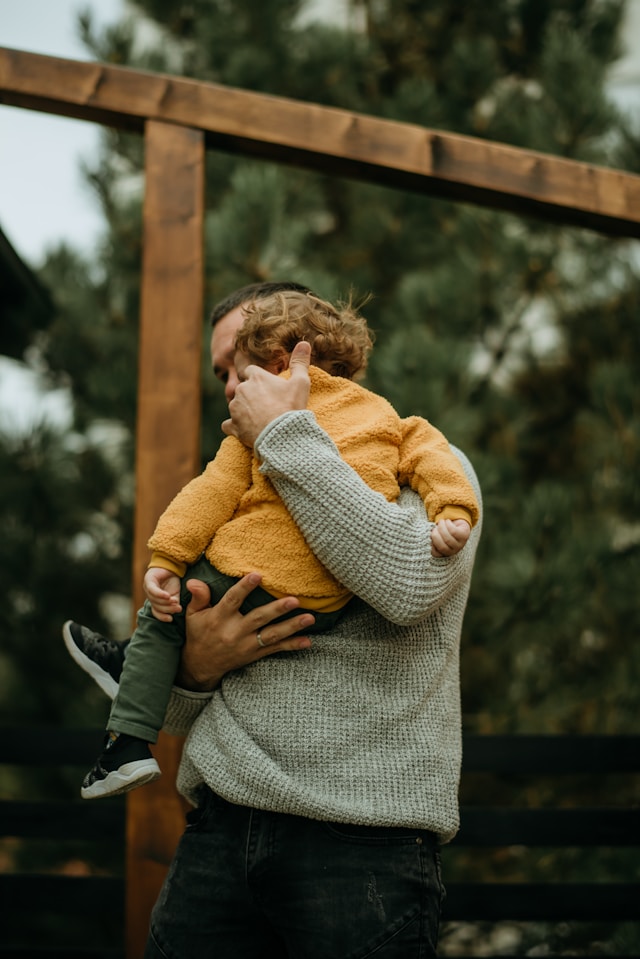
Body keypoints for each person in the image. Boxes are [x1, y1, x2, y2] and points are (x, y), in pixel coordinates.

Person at [64, 279, 482, 958]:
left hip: (362, 847)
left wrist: (288, 434)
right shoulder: (241, 486)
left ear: (302, 354)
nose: (232, 385)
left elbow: (406, 583)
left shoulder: (423, 462)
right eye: (221, 373)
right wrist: (200, 665)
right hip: (219, 835)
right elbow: (168, 713)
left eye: (245, 361)